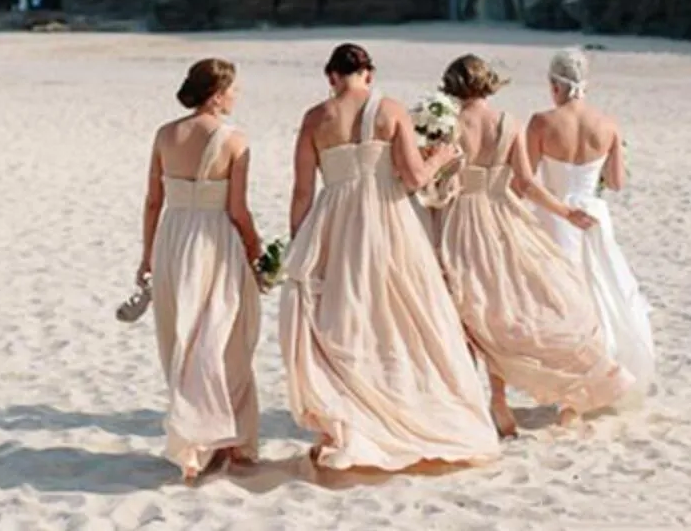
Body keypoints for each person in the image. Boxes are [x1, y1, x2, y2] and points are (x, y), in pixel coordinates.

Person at [280, 43, 501, 471]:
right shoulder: (390, 110)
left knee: (344, 317)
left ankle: (351, 416)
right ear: (369, 73)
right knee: (403, 313)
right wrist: (440, 156)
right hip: (387, 218)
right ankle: (407, 408)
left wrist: (299, 241)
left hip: (333, 223)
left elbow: (303, 191)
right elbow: (415, 179)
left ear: (331, 77)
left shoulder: (314, 119)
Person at [437, 54, 635, 437]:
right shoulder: (509, 124)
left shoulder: (449, 125)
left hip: (457, 220)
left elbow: (438, 177)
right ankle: (563, 389)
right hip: (500, 218)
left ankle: (494, 401)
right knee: (501, 308)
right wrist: (564, 211)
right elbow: (525, 184)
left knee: (471, 311)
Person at [137, 58, 262, 484]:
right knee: (224, 338)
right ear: (217, 93)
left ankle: (194, 444)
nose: (237, 95)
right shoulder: (234, 140)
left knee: (182, 339)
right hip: (214, 241)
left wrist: (147, 254)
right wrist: (255, 244)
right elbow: (238, 208)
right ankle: (232, 441)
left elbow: (153, 201)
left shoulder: (165, 134)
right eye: (233, 89)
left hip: (173, 238)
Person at [527, 47, 655, 401]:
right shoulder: (608, 123)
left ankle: (572, 383)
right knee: (602, 287)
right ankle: (608, 372)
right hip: (595, 214)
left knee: (563, 297)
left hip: (556, 215)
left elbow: (525, 180)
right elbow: (616, 182)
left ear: (554, 84)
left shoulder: (541, 122)